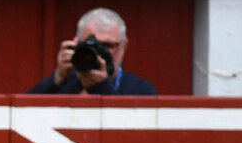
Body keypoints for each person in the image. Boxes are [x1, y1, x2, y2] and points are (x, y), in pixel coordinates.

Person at [27, 7, 157, 96]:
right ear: (76, 43)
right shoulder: (65, 83)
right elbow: (24, 116)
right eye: (91, 45)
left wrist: (102, 87)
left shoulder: (140, 90)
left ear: (124, 46)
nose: (99, 52)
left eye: (107, 45)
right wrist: (57, 78)